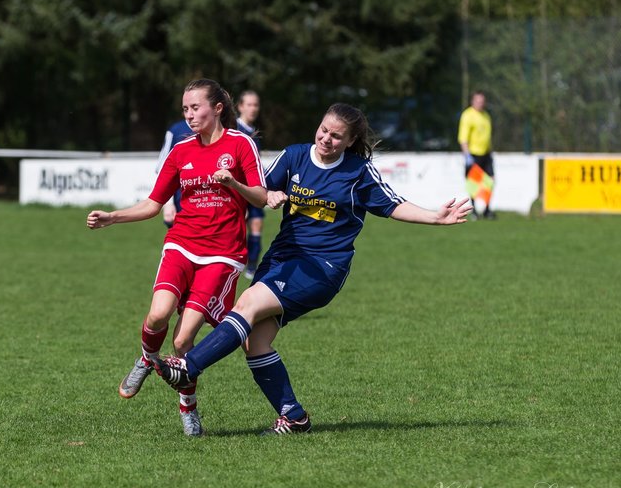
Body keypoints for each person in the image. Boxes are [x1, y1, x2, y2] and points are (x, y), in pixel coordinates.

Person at [150, 103, 472, 435]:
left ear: (349, 141)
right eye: (323, 130)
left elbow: (391, 205)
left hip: (322, 266)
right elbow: (258, 192)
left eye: (336, 136)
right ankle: (294, 417)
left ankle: (189, 366)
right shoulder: (295, 156)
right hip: (281, 259)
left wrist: (435, 216)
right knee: (256, 342)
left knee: (246, 306)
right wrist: (268, 194)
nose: (326, 139)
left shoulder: (357, 171)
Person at [88, 79, 266, 437]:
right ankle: (147, 358)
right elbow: (153, 205)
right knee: (157, 314)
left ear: (217, 108)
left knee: (184, 342)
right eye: (184, 109)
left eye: (195, 107)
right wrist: (113, 217)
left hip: (222, 254)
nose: (189, 115)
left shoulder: (240, 144)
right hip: (181, 244)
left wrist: (233, 184)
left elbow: (261, 197)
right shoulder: (181, 151)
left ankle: (188, 406)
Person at [236, 90, 266, 278]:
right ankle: (236, 263)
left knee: (256, 225)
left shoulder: (254, 133)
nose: (253, 108)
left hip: (254, 188)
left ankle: (253, 266)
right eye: (249, 104)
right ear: (240, 106)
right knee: (236, 228)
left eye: (256, 104)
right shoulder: (234, 129)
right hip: (239, 189)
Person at [458, 90, 495, 219]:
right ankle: (474, 211)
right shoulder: (467, 115)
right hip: (473, 154)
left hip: (486, 153)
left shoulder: (486, 116)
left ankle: (487, 209)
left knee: (490, 181)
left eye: (482, 101)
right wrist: (467, 155)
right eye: (478, 101)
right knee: (473, 183)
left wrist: (491, 151)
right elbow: (463, 138)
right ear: (472, 101)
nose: (480, 103)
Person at [157, 116, 193, 228]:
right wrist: (168, 203)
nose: (191, 113)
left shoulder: (222, 132)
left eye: (196, 107)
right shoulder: (176, 131)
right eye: (187, 108)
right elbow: (163, 168)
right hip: (181, 201)